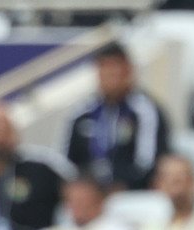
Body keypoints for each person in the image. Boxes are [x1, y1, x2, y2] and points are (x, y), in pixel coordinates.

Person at [64, 43, 170, 190]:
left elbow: (149, 164)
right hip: (89, 195)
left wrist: (120, 186)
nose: (109, 77)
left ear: (128, 71)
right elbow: (67, 163)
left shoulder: (145, 111)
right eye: (104, 70)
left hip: (133, 194)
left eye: (114, 70)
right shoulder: (82, 112)